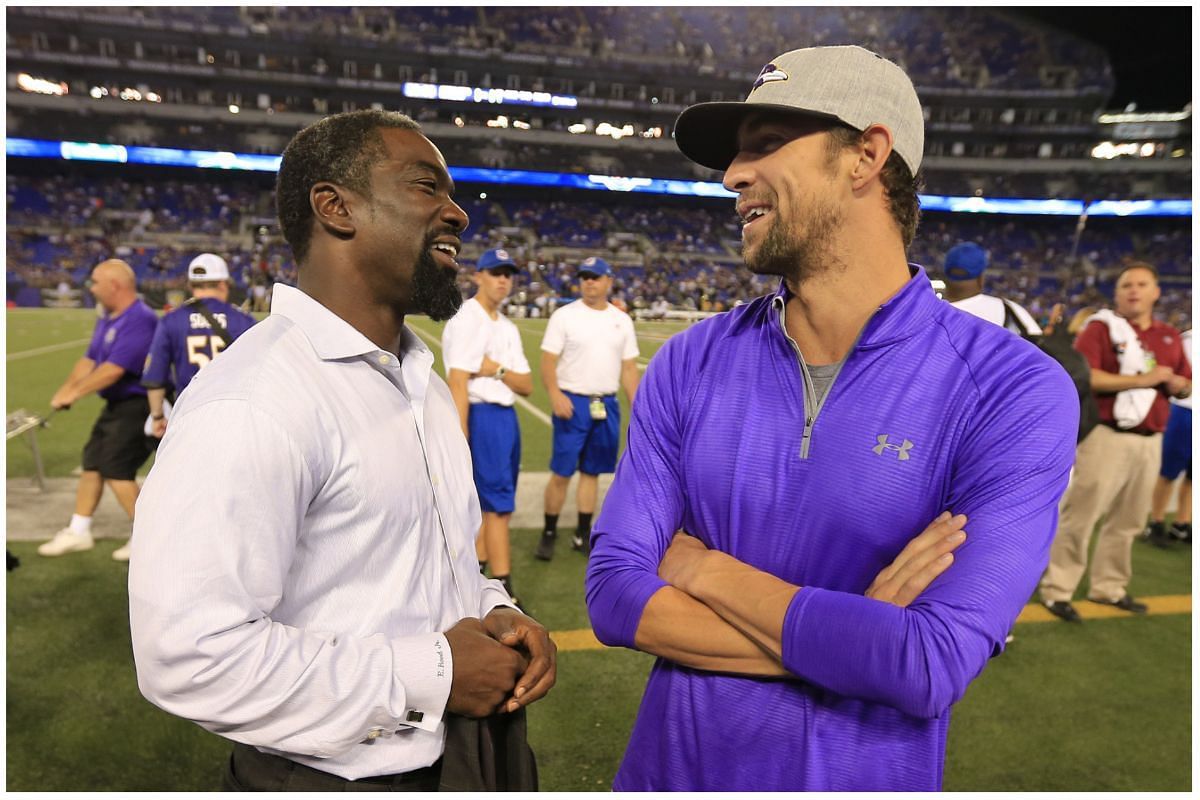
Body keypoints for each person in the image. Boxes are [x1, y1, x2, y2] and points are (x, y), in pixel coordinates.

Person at [584, 45, 1078, 791]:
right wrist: (858, 626)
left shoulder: (1013, 390)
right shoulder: (688, 362)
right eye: (735, 156)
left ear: (866, 156)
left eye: (766, 144)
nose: (733, 175)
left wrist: (696, 564)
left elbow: (925, 663)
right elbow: (616, 599)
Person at [129, 110, 555, 791]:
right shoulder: (253, 401)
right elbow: (188, 656)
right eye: (426, 187)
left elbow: (433, 561)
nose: (459, 214)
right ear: (335, 207)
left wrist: (495, 606)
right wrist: (433, 672)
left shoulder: (421, 380)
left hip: (469, 755)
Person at [1039, 262, 1191, 621]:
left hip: (1151, 438)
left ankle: (1109, 587)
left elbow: (1186, 381)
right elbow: (1085, 376)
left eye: (1141, 284)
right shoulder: (1100, 328)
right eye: (1126, 285)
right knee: (1082, 515)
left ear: (1156, 292)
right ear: (1117, 293)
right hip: (1107, 434)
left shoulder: (1168, 334)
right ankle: (1058, 589)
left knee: (1129, 520)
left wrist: (1179, 385)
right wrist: (1145, 379)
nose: (1133, 291)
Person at [38, 259, 158, 563]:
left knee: (117, 470)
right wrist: (66, 389)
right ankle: (79, 530)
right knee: (92, 463)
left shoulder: (140, 318)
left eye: (95, 281)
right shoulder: (108, 316)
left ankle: (151, 539)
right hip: (117, 405)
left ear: (114, 285)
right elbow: (90, 359)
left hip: (138, 404)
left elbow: (114, 370)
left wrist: (76, 393)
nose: (91, 288)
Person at [441, 248, 533, 605]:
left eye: (507, 273)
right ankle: (504, 586)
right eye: (495, 272)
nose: (502, 280)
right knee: (497, 505)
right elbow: (459, 382)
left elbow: (525, 384)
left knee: (488, 501)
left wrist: (496, 369)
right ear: (478, 276)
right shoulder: (467, 317)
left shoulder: (506, 326)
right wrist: (460, 436)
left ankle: (476, 577)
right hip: (483, 416)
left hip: (504, 417)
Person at [534, 256, 639, 560]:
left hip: (605, 403)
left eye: (595, 277)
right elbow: (548, 360)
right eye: (584, 277)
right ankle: (549, 531)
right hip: (573, 401)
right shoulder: (565, 316)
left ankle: (582, 533)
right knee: (561, 472)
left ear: (608, 281)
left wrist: (638, 407)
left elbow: (629, 369)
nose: (589, 282)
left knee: (592, 473)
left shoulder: (621, 320)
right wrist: (554, 393)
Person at [141, 253, 257, 438]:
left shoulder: (172, 320)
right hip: (233, 416)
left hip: (188, 415)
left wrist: (157, 416)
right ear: (222, 283)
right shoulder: (243, 320)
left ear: (191, 285)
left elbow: (155, 377)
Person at [1146, 328, 1192, 546]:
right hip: (1185, 410)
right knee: (1169, 472)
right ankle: (1156, 520)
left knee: (1193, 476)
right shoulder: (1188, 339)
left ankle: (1182, 523)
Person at [941, 241, 1042, 335]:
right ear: (981, 278)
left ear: (945, 275)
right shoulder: (1009, 310)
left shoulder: (930, 314)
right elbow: (1039, 349)